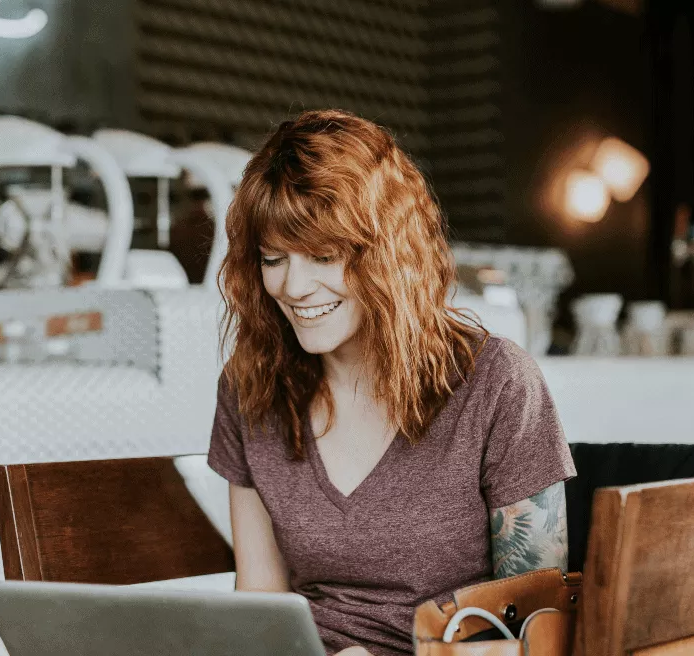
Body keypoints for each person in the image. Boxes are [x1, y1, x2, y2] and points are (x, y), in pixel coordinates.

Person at [206, 110, 576, 656]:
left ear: (387, 253)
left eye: (325, 256)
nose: (294, 286)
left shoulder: (496, 384)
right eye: (273, 258)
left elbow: (540, 631)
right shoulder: (251, 388)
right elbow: (259, 607)